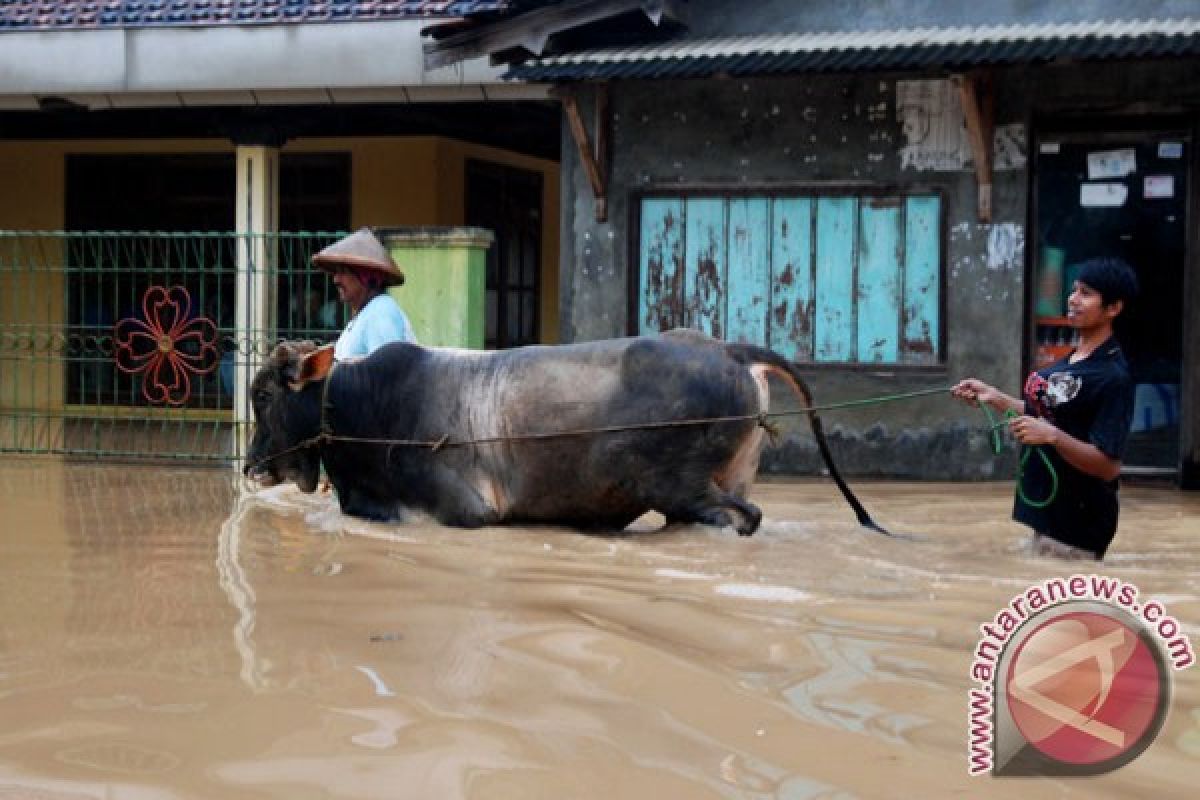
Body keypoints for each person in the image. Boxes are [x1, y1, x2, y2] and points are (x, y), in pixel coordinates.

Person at [952, 257, 1138, 560]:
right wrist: (995, 397)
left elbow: (1108, 466)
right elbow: (1047, 413)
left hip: (1078, 523)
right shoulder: (1073, 359)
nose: (1073, 299)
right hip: (1049, 513)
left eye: (1086, 293)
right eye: (1074, 289)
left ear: (1113, 308)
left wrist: (1052, 436)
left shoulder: (1113, 377)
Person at [311, 227, 416, 360]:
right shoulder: (366, 313)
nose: (336, 279)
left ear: (366, 276)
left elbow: (387, 373)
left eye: (343, 272)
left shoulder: (381, 313)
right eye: (335, 272)